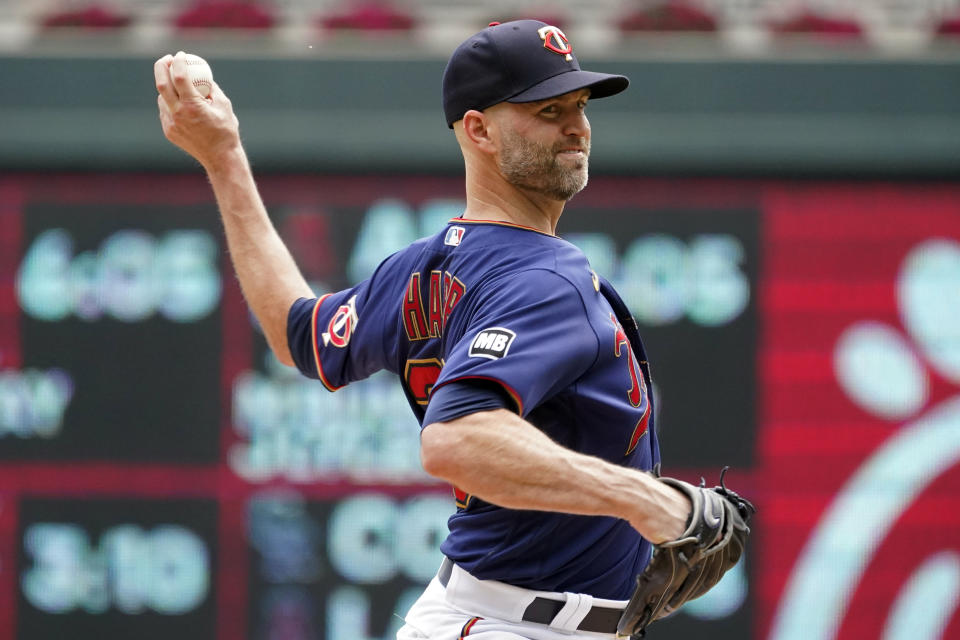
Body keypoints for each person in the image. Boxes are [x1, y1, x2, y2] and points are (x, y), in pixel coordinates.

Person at [155, 19, 692, 640]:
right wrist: (647, 501)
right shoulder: (543, 278)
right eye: (549, 110)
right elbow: (456, 441)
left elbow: (295, 333)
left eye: (579, 105)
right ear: (479, 130)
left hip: (488, 612)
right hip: (519, 626)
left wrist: (224, 158)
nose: (577, 126)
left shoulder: (427, 264)